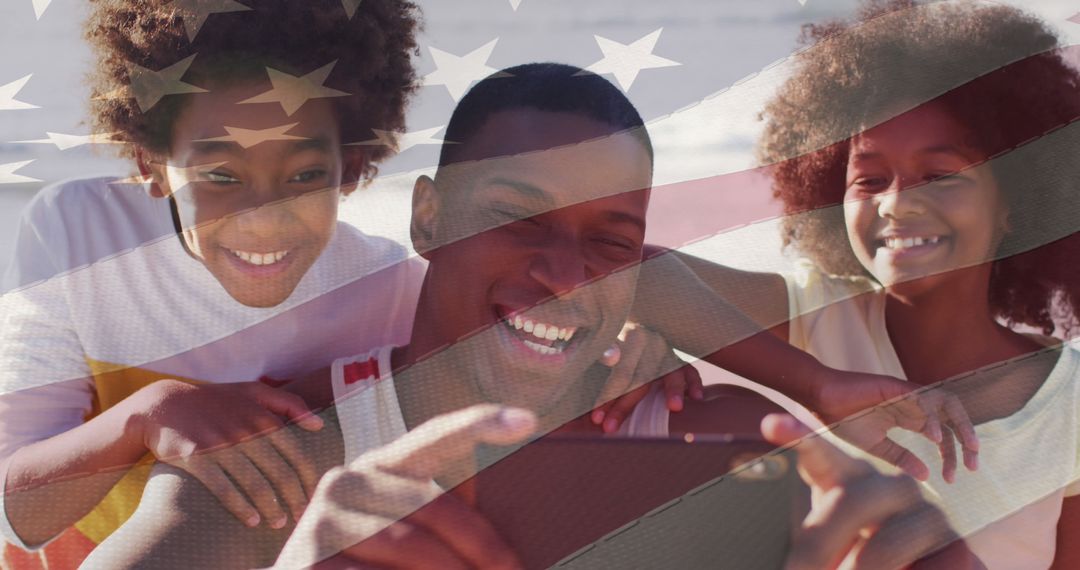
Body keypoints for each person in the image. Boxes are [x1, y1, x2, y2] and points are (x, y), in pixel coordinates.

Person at [82, 63, 977, 569]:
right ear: (427, 217)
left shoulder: (728, 455)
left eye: (610, 243)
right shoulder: (283, 465)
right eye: (517, 222)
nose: (562, 279)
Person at [640, 1, 1080, 567]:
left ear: (1016, 201)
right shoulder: (823, 310)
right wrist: (818, 385)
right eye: (870, 179)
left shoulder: (1069, 404)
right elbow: (634, 277)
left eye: (940, 176)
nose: (896, 204)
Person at [0, 2, 427, 568]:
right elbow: (14, 511)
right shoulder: (80, 234)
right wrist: (150, 414)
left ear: (350, 168)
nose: (265, 218)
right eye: (220, 176)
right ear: (150, 162)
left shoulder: (394, 290)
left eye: (304, 175)